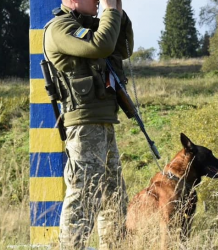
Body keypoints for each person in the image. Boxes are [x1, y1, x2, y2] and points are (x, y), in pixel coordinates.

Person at [43, 0, 133, 249]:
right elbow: (101, 45)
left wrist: (117, 11)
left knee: (113, 195)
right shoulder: (60, 28)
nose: (97, 1)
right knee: (85, 192)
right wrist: (111, 11)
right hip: (83, 123)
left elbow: (123, 48)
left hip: (102, 119)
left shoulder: (88, 25)